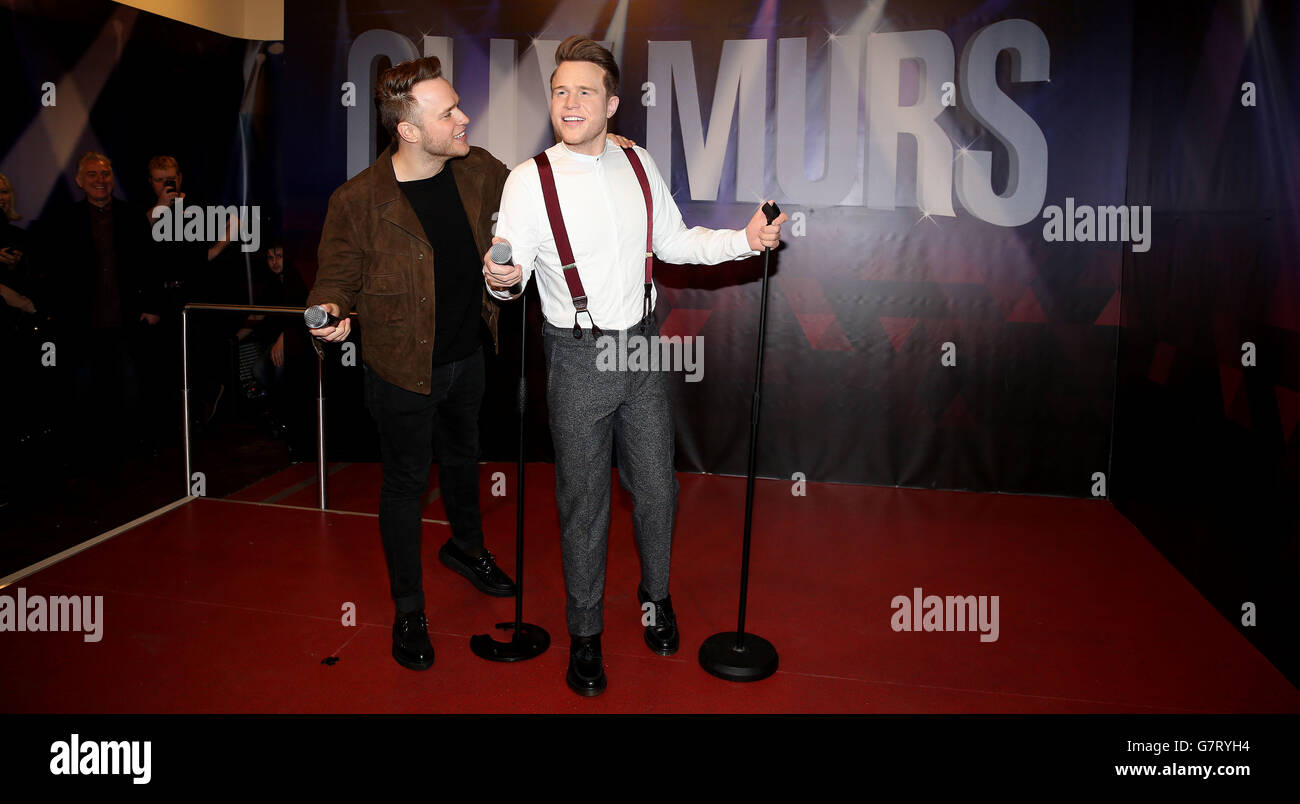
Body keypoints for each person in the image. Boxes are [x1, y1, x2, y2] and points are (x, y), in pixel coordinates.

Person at [484, 36, 787, 697]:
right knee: (584, 504)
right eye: (560, 90)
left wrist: (746, 239)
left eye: (584, 91)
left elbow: (676, 243)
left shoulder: (637, 162)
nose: (569, 102)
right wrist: (502, 277)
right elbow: (508, 281)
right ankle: (585, 636)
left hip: (643, 347)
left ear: (611, 103)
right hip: (577, 353)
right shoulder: (526, 181)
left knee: (658, 491)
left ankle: (656, 599)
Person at [306, 56, 520, 672]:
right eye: (447, 111)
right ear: (408, 128)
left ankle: (466, 548)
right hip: (400, 369)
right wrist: (330, 313)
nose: (463, 117)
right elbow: (335, 280)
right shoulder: (358, 200)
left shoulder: (479, 170)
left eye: (458, 105)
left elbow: (540, 180)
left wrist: (601, 142)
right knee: (403, 485)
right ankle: (408, 608)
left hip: (469, 359)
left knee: (462, 459)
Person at [32, 153, 162, 458]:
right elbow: (49, 272)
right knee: (83, 389)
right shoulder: (63, 222)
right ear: (79, 181)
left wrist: (153, 306)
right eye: (92, 175)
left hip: (127, 320)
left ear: (112, 179)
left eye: (104, 174)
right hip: (81, 324)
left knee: (131, 387)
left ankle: (133, 450)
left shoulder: (132, 218)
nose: (99, 180)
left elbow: (151, 267)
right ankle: (85, 454)